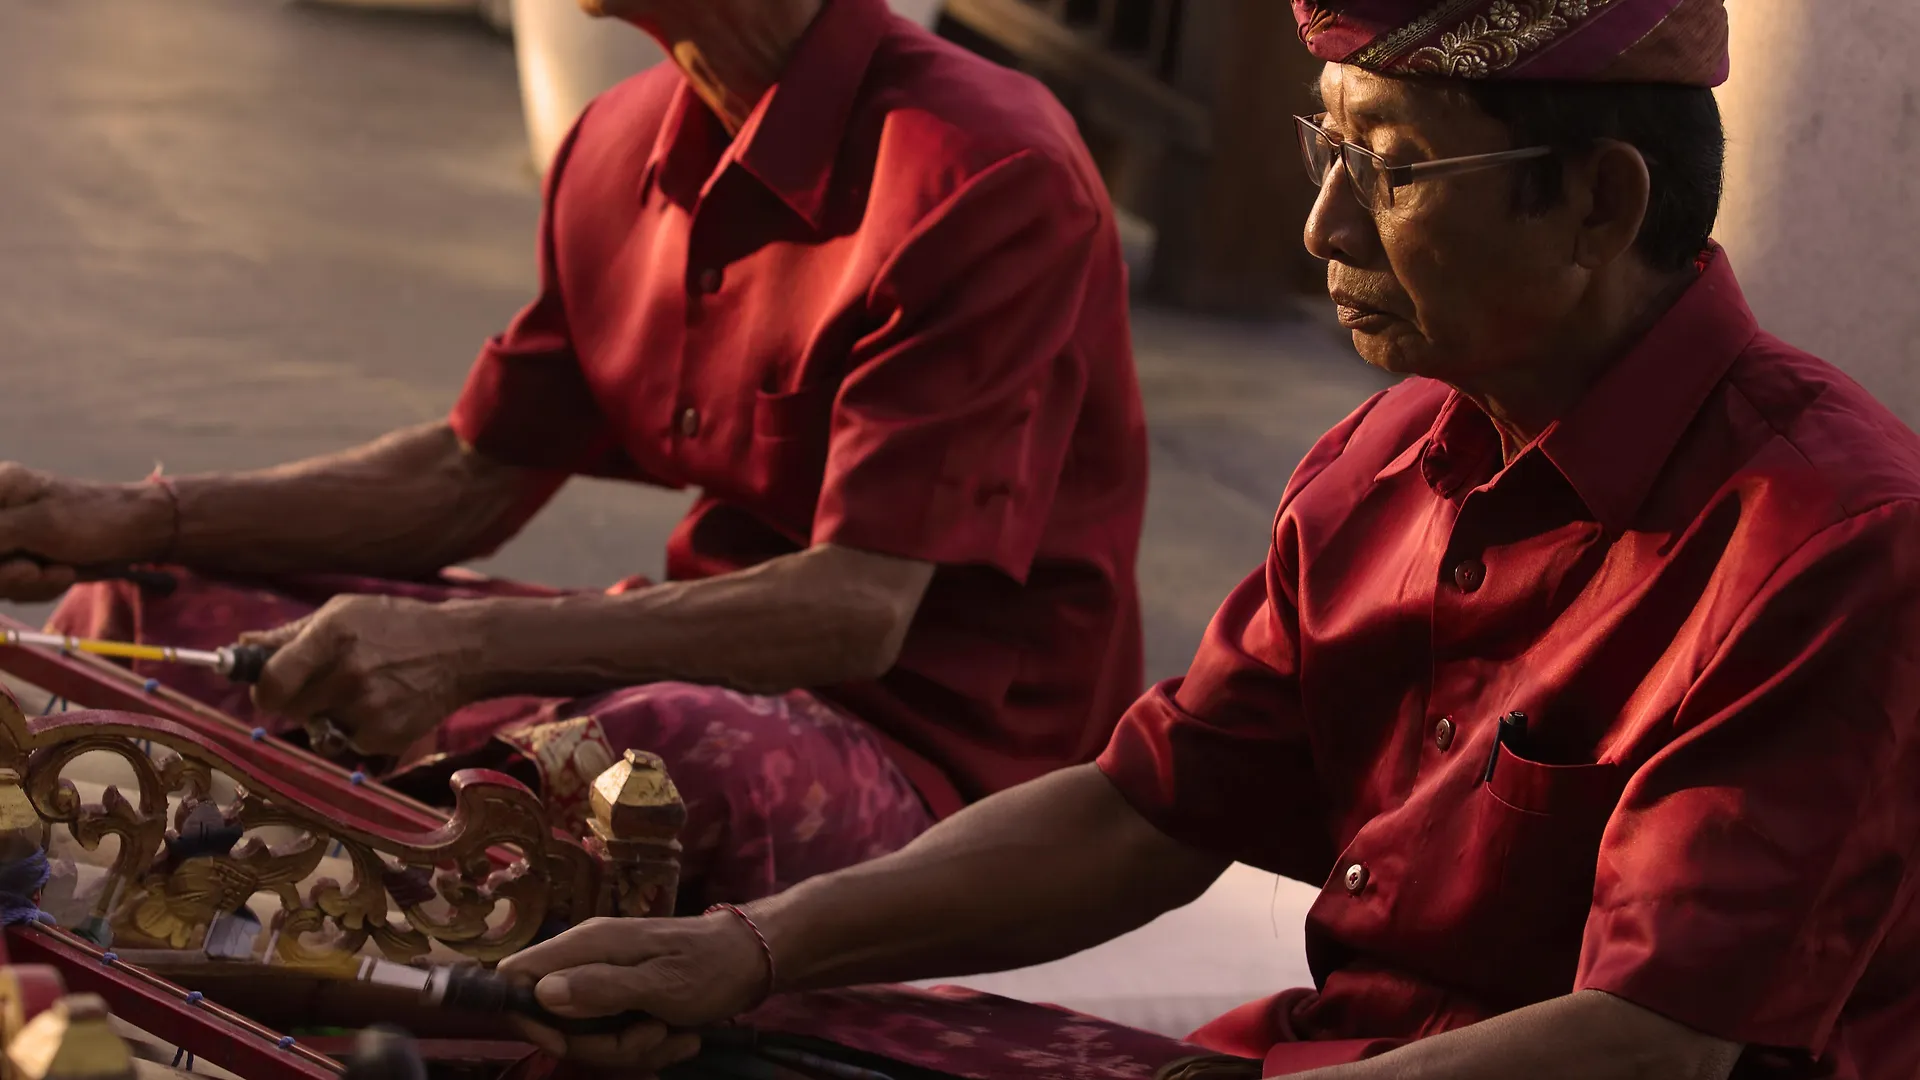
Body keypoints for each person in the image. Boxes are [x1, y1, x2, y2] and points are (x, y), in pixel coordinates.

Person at [492, 1, 1920, 1078]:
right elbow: (1146, 809)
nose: (1322, 228)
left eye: (1396, 170)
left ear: (1601, 202)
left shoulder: (1828, 541)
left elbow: (1651, 1043)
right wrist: (751, 948)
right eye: (1326, 148)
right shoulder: (1382, 462)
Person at [0, 0, 1148, 910]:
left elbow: (854, 614)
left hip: (945, 758)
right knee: (149, 605)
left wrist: (461, 649)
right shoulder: (618, 137)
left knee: (619, 761)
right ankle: (170, 926)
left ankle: (284, 946)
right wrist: (125, 517)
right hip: (694, 663)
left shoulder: (984, 171)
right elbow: (466, 480)